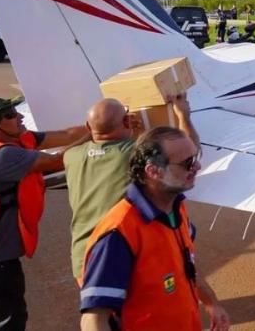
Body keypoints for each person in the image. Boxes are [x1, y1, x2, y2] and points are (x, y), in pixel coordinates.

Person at [79, 126, 229, 330]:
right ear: (153, 171)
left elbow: (186, 264)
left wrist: (211, 302)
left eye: (195, 158)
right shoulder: (119, 233)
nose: (198, 166)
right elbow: (94, 318)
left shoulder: (176, 209)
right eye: (188, 163)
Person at [0, 96, 89, 330]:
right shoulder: (2, 155)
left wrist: (95, 127)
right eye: (9, 115)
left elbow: (67, 135)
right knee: (11, 321)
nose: (19, 116)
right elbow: (59, 161)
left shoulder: (14, 142)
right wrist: (109, 131)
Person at [64, 95, 195, 281]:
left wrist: (101, 128)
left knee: (103, 307)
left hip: (83, 258)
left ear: (88, 127)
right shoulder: (132, 154)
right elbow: (188, 155)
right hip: (123, 253)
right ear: (126, 121)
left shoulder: (71, 156)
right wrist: (183, 116)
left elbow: (100, 144)